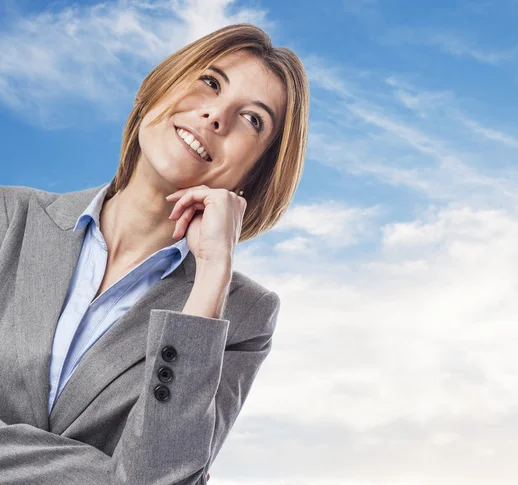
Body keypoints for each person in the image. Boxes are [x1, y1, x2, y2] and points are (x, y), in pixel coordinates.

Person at [0, 23, 309, 484]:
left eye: (252, 119)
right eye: (210, 81)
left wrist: (212, 279)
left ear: (258, 172)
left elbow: (162, 478)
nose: (215, 116)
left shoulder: (244, 315)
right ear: (159, 88)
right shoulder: (8, 217)